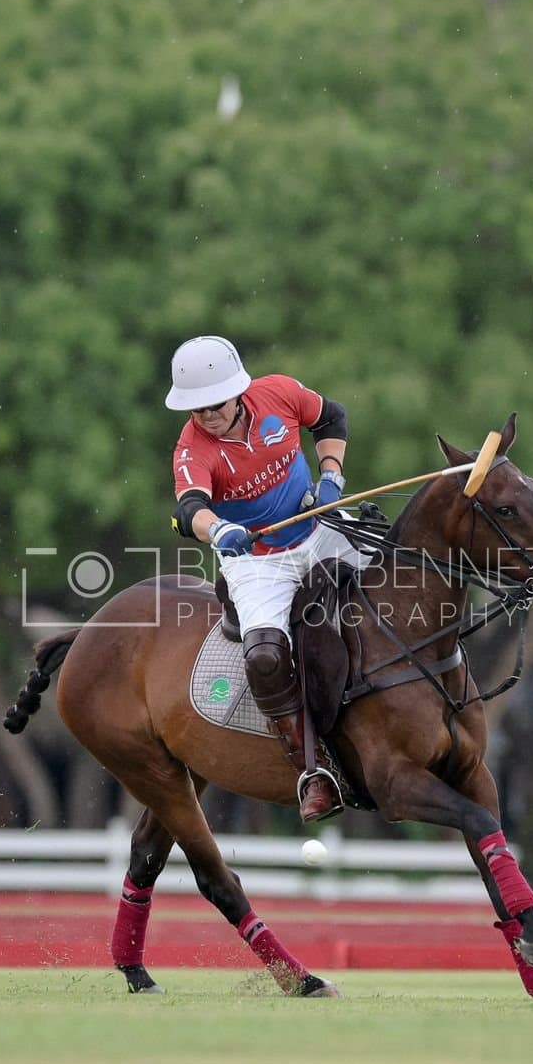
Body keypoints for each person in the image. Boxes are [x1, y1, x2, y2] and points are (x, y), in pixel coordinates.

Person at [166, 334, 363, 823]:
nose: (207, 415)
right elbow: (189, 507)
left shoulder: (278, 393)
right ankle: (311, 771)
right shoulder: (193, 448)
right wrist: (219, 529)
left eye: (215, 404)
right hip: (256, 561)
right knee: (266, 655)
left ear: (237, 391)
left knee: (395, 590)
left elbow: (331, 416)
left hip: (320, 527)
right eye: (197, 408)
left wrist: (331, 475)